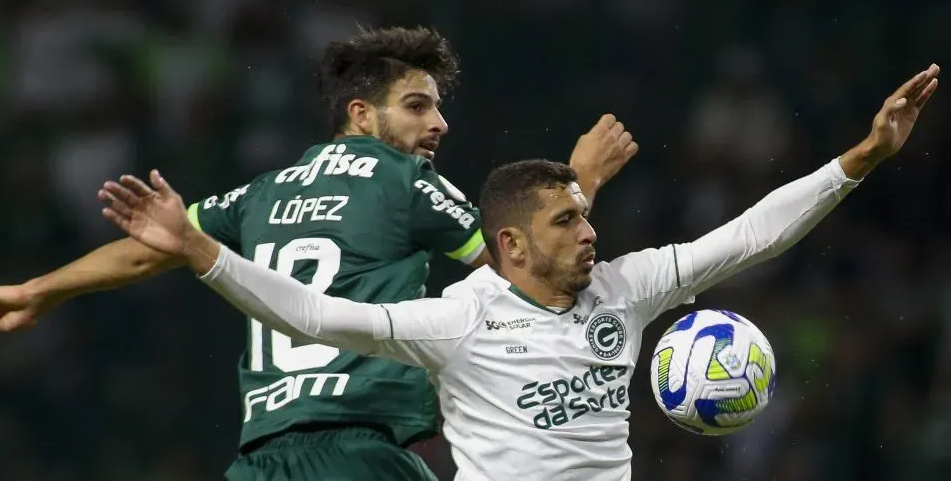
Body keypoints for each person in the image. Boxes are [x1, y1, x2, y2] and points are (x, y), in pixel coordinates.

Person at [94, 65, 936, 480]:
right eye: (568, 220)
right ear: (511, 247)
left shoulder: (625, 287)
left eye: (587, 213)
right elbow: (314, 315)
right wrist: (202, 251)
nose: (589, 231)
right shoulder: (459, 317)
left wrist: (861, 156)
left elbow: (751, 236)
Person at [0, 26, 638, 481]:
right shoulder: (407, 183)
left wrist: (40, 288)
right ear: (363, 115)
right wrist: (581, 183)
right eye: (418, 106)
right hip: (361, 451)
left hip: (259, 459)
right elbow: (523, 272)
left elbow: (147, 251)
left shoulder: (261, 193)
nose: (439, 123)